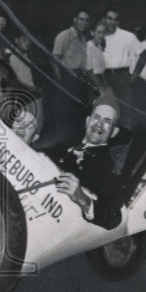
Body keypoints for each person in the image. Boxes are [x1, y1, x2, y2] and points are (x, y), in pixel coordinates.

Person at [51, 94, 131, 231]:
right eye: (96, 117)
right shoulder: (62, 146)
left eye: (107, 121)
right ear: (87, 121)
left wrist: (82, 198)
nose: (99, 124)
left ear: (114, 132)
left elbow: (113, 218)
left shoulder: (110, 171)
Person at [101, 8, 140, 125]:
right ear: (103, 20)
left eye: (115, 19)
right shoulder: (98, 36)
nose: (112, 22)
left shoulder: (127, 36)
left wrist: (134, 76)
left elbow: (144, 55)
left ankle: (124, 141)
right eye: (109, 19)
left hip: (122, 77)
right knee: (105, 111)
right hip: (103, 77)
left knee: (125, 113)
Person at [52, 9, 90, 75]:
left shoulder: (83, 39)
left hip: (80, 77)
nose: (84, 23)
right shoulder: (64, 36)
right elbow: (54, 61)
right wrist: (60, 81)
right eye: (81, 19)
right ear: (75, 20)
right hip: (67, 76)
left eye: (86, 20)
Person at [85, 22, 109, 92]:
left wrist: (106, 89)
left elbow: (102, 71)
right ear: (92, 33)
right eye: (98, 32)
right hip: (93, 86)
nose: (101, 35)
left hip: (101, 83)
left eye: (103, 33)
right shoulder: (88, 47)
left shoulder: (99, 47)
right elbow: (88, 72)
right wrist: (100, 89)